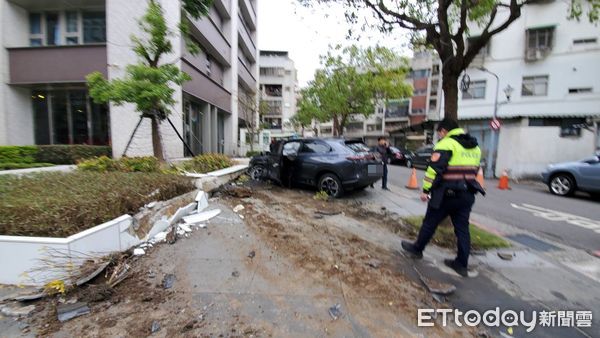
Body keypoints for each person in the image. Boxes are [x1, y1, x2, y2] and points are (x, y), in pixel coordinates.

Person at [401, 118, 485, 277]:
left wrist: (425, 190)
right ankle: (461, 264)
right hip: (467, 194)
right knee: (462, 229)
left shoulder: (446, 144)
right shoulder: (475, 146)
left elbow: (433, 170)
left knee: (429, 223)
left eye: (439, 133)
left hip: (446, 194)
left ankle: (417, 249)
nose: (439, 136)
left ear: (444, 131)